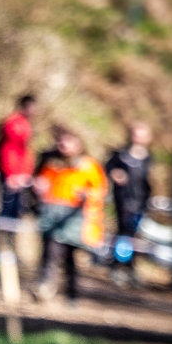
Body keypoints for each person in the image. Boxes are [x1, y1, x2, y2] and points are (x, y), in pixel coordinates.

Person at [32, 127, 107, 300]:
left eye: (68, 141)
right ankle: (45, 287)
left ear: (78, 144)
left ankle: (72, 293)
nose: (63, 145)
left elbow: (100, 190)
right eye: (61, 141)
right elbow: (42, 182)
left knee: (70, 257)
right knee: (49, 252)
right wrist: (39, 187)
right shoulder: (51, 162)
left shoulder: (88, 166)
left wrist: (86, 194)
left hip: (75, 218)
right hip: (52, 215)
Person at [105, 121, 152, 282]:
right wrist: (115, 174)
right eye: (136, 135)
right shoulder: (121, 155)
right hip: (123, 200)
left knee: (135, 235)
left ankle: (130, 266)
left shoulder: (148, 158)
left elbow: (148, 181)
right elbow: (108, 168)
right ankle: (118, 264)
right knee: (123, 232)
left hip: (141, 202)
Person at [0, 94, 37, 223]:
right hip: (11, 174)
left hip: (20, 175)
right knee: (6, 209)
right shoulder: (14, 123)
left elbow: (24, 152)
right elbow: (9, 151)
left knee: (17, 210)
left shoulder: (26, 123)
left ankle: (10, 236)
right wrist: (11, 175)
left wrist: (26, 173)